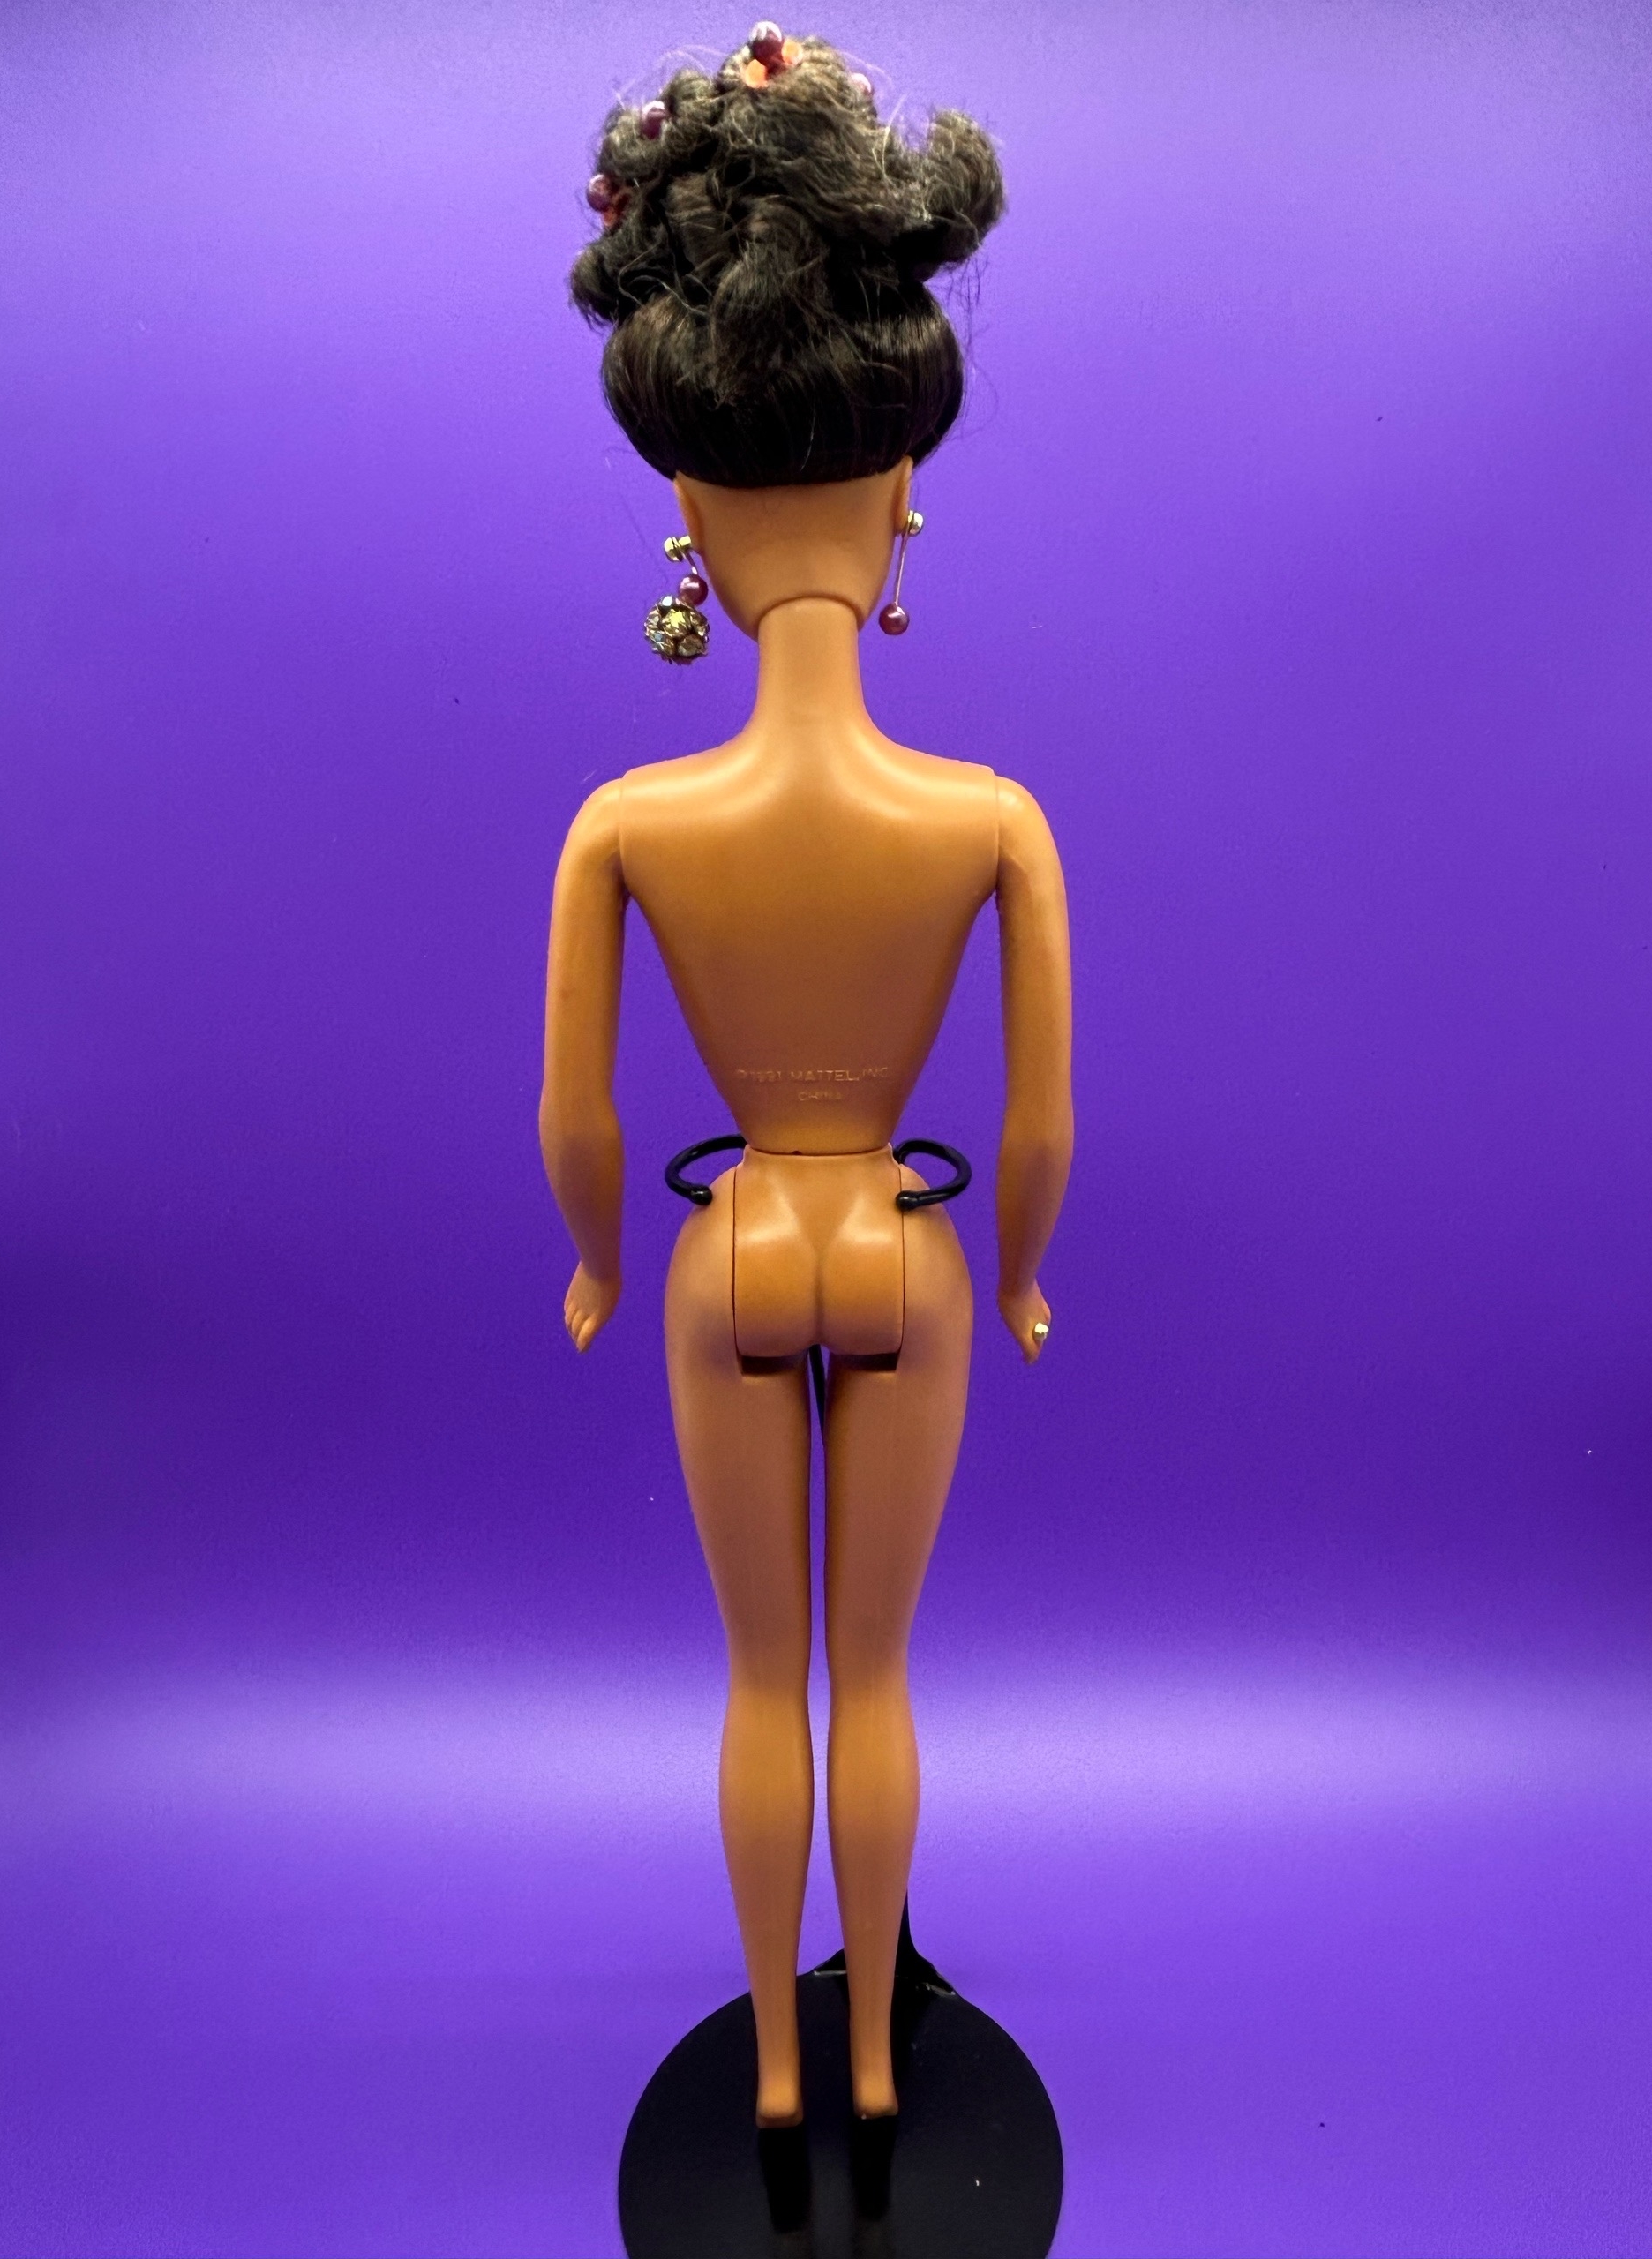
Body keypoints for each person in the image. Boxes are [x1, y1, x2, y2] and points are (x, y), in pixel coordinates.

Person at [541, 25, 1072, 2134]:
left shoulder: (627, 822)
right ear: (906, 488)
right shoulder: (990, 816)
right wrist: (1018, 1274)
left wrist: (599, 1262)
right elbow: (1035, 1121)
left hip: (735, 1237)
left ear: (687, 505)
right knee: (878, 1669)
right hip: (907, 1244)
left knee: (763, 1674)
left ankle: (771, 2065)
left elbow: (583, 1120)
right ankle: (872, 2057)